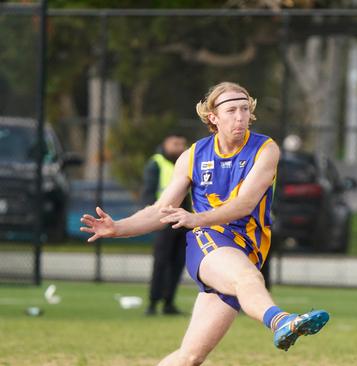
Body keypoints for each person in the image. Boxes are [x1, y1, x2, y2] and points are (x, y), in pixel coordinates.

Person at [80, 82, 330, 365]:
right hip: (209, 241)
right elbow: (161, 210)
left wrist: (194, 216)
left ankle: (278, 320)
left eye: (245, 109)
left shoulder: (265, 149)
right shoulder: (193, 156)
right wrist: (118, 227)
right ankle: (280, 321)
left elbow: (244, 204)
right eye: (232, 110)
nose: (240, 116)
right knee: (248, 278)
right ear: (213, 117)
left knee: (189, 357)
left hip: (247, 249)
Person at [142, 132, 189, 316]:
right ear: (165, 143)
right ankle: (153, 303)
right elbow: (148, 192)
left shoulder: (188, 163)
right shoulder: (156, 163)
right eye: (175, 143)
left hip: (184, 220)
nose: (179, 147)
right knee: (161, 262)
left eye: (182, 144)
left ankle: (169, 302)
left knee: (178, 262)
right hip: (164, 220)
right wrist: (152, 217)